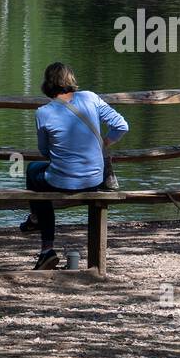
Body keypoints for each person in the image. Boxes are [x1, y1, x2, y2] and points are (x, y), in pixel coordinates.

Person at [21, 62, 128, 269]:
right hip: (94, 180)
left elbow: (45, 152)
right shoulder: (91, 97)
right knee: (40, 180)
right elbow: (121, 125)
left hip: (62, 181)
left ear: (48, 84)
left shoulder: (43, 112)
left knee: (34, 172)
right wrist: (105, 142)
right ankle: (37, 225)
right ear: (70, 80)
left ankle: (45, 245)